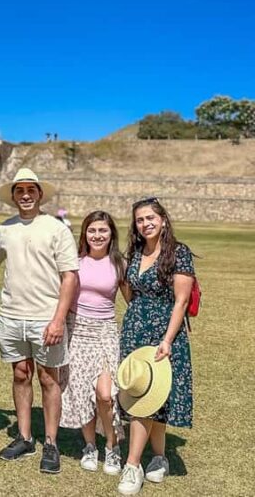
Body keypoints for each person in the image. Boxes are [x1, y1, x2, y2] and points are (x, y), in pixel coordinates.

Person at [0, 168, 79, 474]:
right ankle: (25, 436)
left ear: (40, 194)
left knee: (48, 378)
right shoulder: (5, 228)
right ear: (13, 195)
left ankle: (51, 442)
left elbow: (69, 277)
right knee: (20, 374)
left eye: (31, 190)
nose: (26, 195)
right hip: (12, 315)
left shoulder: (56, 228)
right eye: (20, 190)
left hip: (45, 316)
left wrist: (58, 320)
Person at [116, 198, 195, 495]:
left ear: (162, 220)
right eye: (140, 220)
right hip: (135, 331)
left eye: (150, 218)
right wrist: (137, 317)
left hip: (165, 334)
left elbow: (181, 301)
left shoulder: (179, 252)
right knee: (144, 393)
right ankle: (160, 457)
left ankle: (132, 464)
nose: (145, 223)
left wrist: (167, 339)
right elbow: (129, 292)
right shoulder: (136, 252)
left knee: (150, 398)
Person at [59, 211, 125, 475]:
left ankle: (112, 446)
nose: (97, 235)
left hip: (104, 332)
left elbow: (133, 300)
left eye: (103, 230)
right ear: (85, 234)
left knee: (105, 394)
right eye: (92, 230)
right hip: (76, 330)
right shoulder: (74, 262)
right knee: (79, 390)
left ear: (111, 234)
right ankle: (89, 446)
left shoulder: (120, 264)